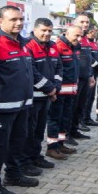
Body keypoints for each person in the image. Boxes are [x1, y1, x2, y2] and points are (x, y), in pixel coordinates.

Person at [0, 5, 37, 194]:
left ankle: (13, 174)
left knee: (18, 141)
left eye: (20, 19)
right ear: (0, 21)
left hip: (22, 106)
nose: (19, 23)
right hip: (0, 109)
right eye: (13, 19)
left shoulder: (23, 43)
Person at [17, 17, 61, 171]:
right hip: (33, 97)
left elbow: (58, 69)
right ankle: (25, 162)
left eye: (50, 31)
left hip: (47, 97)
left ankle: (35, 156)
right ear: (35, 30)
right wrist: (49, 88)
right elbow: (32, 72)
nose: (47, 33)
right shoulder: (28, 46)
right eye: (43, 30)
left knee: (39, 131)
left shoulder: (53, 46)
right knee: (29, 131)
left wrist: (55, 87)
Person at [45, 25, 81, 160]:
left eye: (80, 36)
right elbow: (55, 69)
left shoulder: (74, 47)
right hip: (59, 93)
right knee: (55, 119)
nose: (79, 38)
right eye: (76, 35)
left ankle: (60, 144)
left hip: (70, 92)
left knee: (64, 119)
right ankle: (52, 148)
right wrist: (54, 89)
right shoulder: (58, 46)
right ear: (66, 33)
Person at [71, 15, 98, 138]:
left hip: (85, 77)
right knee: (72, 108)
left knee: (80, 106)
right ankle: (67, 134)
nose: (85, 24)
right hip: (74, 79)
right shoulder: (71, 38)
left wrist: (90, 75)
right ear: (74, 22)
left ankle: (75, 130)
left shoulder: (86, 39)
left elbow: (88, 59)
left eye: (87, 22)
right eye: (82, 22)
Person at [81, 24, 98, 126]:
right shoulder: (85, 42)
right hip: (89, 74)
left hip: (95, 74)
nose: (97, 32)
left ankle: (87, 118)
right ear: (91, 32)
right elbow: (89, 60)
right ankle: (81, 120)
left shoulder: (94, 43)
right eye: (96, 31)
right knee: (85, 98)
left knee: (91, 98)